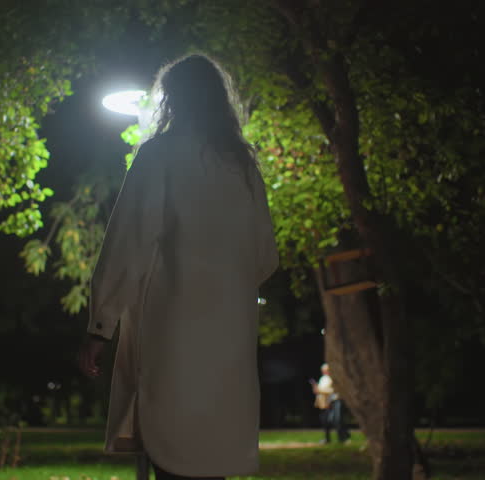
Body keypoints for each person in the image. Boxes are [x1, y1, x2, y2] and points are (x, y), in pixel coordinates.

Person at [77, 53, 279, 480]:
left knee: (170, 444)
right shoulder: (243, 166)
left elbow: (127, 244)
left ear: (171, 100)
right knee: (210, 453)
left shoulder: (159, 155)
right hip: (229, 338)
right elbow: (265, 256)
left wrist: (100, 326)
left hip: (171, 331)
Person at [310, 363, 350, 444]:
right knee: (325, 421)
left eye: (326, 370)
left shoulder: (333, 378)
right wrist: (315, 388)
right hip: (324, 403)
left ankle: (343, 438)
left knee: (337, 419)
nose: (324, 372)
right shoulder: (323, 378)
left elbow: (332, 391)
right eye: (323, 370)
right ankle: (327, 438)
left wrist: (320, 390)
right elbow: (320, 390)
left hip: (333, 401)